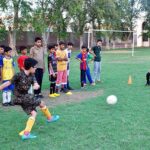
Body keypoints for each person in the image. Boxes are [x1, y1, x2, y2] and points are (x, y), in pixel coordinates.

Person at [0, 58, 59, 140]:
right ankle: (50, 118)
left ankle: (26, 134)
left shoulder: (32, 75)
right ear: (30, 67)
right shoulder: (18, 75)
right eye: (34, 67)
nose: (35, 68)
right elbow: (8, 82)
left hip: (25, 97)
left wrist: (36, 85)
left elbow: (36, 83)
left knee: (34, 113)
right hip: (19, 97)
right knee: (41, 102)